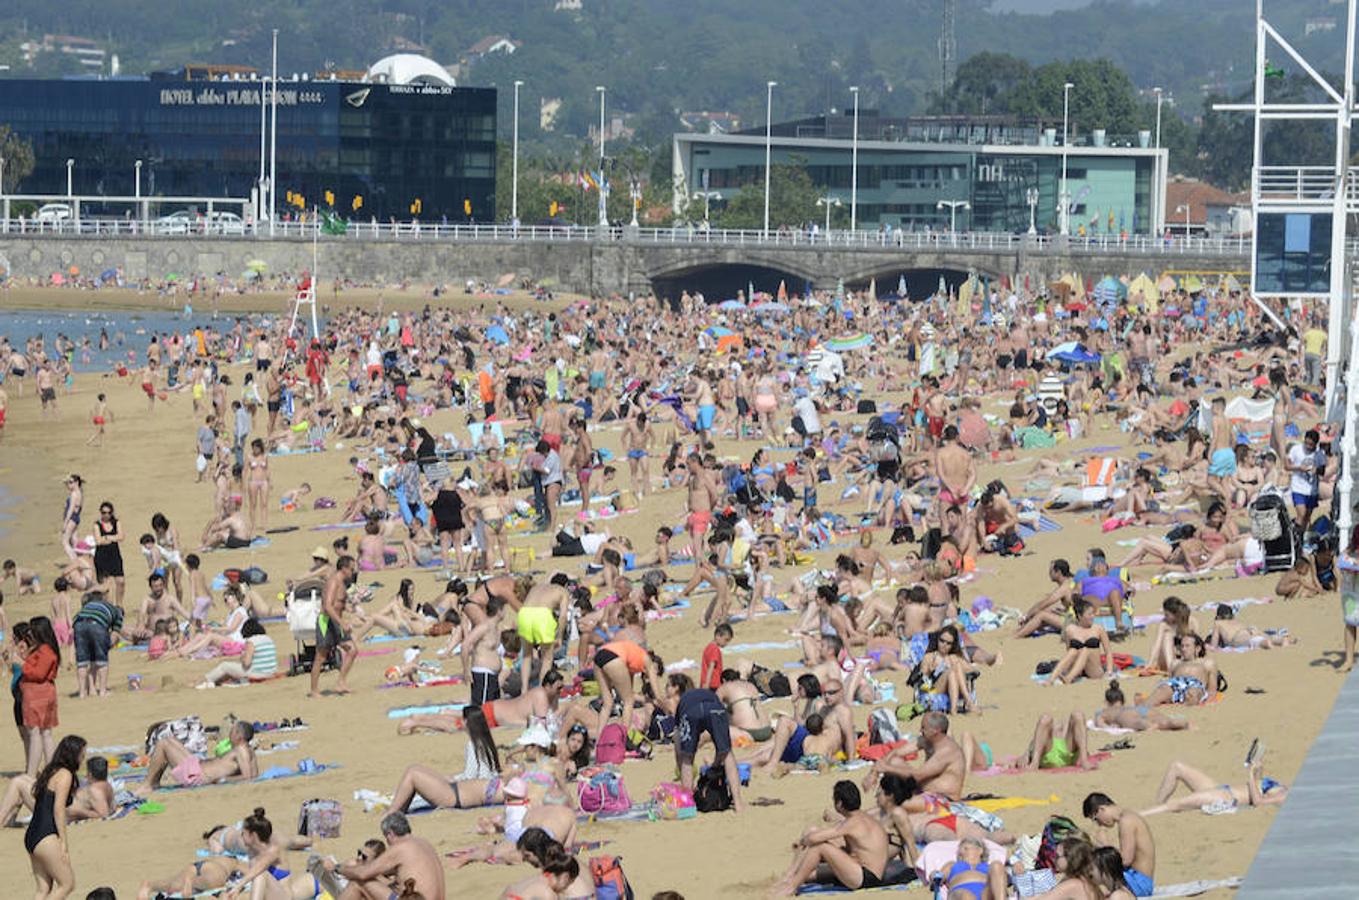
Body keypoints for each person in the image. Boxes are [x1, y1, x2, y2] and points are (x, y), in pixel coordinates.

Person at [769, 780, 889, 897]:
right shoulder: (860, 817)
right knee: (807, 872)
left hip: (866, 877)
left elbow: (814, 839)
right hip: (858, 869)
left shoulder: (853, 822)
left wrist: (802, 841)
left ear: (840, 803)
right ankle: (790, 877)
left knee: (820, 847)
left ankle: (791, 886)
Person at [387, 705, 502, 813]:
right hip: (471, 792)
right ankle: (397, 810)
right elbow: (484, 773)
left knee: (413, 772)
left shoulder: (473, 745)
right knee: (419, 773)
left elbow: (471, 776)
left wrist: (452, 779)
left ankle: (393, 811)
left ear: (467, 722)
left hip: (461, 795)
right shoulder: (486, 742)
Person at [670, 675, 745, 812]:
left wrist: (680, 766)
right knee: (727, 753)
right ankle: (738, 803)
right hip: (715, 709)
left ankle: (688, 804)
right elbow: (721, 749)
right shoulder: (707, 693)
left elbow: (678, 745)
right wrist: (716, 762)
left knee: (687, 757)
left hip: (692, 712)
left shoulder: (683, 703)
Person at [329, 812, 445, 899]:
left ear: (390, 834)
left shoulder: (400, 847)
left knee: (358, 883)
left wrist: (337, 868)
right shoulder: (424, 843)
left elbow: (362, 874)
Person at [25, 733, 85, 899]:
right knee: (67, 884)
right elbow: (58, 810)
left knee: (43, 890)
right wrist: (63, 842)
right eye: (81, 754)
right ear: (73, 754)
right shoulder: (65, 774)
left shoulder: (51, 770)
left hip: (32, 835)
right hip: (46, 835)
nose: (83, 759)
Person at [134, 720, 258, 795]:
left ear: (239, 736)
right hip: (198, 767)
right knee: (170, 740)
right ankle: (154, 782)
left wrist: (224, 780)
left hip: (198, 776)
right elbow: (255, 774)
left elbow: (248, 777)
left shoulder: (241, 749)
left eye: (232, 731)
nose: (229, 734)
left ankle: (148, 785)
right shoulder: (247, 750)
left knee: (163, 744)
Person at [1140, 756, 1288, 816]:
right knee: (1177, 767)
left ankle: (1141, 814)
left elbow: (1259, 802)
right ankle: (1156, 806)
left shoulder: (1284, 796)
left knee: (1177, 804)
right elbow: (1259, 788)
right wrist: (1258, 771)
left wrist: (1250, 775)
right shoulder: (1285, 788)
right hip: (1221, 789)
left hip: (1226, 797)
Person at [1082, 792, 1155, 897]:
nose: (1098, 824)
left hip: (1139, 884)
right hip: (1138, 880)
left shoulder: (1126, 821)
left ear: (1102, 809)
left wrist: (1105, 845)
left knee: (1090, 872)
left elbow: (1125, 860)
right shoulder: (1128, 817)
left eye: (1096, 819)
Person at [310, 555, 358, 697]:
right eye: (351, 569)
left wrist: (350, 609)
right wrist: (342, 623)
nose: (353, 572)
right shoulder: (333, 582)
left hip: (337, 621)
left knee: (352, 650)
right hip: (326, 621)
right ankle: (314, 690)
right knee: (321, 656)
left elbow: (339, 603)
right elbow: (328, 606)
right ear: (343, 568)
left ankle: (341, 683)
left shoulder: (342, 582)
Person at [21, 616, 60, 776]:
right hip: (44, 693)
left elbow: (38, 673)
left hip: (38, 694)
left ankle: (31, 773)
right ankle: (50, 769)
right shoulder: (47, 649)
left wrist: (22, 664)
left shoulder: (45, 650)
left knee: (36, 733)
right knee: (45, 733)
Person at [197, 617, 279, 687]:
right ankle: (214, 682)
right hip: (271, 672)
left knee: (224, 666)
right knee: (231, 670)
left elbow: (247, 663)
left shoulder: (251, 641)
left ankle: (205, 680)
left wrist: (243, 657)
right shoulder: (269, 639)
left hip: (257, 674)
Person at [71, 591, 122, 699]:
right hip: (97, 624)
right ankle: (103, 691)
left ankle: (82, 693)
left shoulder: (89, 605)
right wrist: (106, 646)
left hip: (78, 624)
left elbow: (75, 618)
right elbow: (114, 635)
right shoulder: (117, 612)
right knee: (102, 661)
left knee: (82, 661)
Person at [926, 836, 1007, 900]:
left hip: (985, 894)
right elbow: (939, 876)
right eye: (960, 849)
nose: (961, 851)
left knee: (997, 865)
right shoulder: (952, 864)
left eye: (966, 847)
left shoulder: (989, 867)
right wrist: (933, 875)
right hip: (960, 891)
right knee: (966, 896)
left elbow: (1002, 881)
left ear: (980, 850)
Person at [1095, 682, 1188, 732]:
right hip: (1138, 709)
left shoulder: (1104, 711)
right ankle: (1179, 722)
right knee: (1164, 719)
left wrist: (1111, 727)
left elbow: (1101, 724)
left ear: (1106, 702)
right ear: (1122, 700)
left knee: (1140, 722)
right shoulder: (1127, 706)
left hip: (1123, 715)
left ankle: (1152, 727)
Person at [1022, 710, 1094, 771]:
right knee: (1046, 718)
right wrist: (1027, 753)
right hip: (1048, 753)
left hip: (1069, 752)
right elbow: (1037, 739)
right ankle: (1035, 763)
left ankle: (1084, 760)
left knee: (1078, 715)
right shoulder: (1050, 726)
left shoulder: (1071, 724)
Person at [1286, 428, 1326, 530]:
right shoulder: (1296, 449)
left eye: (1311, 445)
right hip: (1298, 488)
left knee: (1307, 517)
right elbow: (1287, 466)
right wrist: (1299, 468)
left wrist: (1316, 470)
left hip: (1312, 490)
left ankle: (1301, 537)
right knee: (1301, 514)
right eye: (1306, 443)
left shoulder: (1319, 454)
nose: (1308, 447)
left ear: (1316, 444)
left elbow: (1323, 471)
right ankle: (1296, 536)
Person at [700, 623, 732, 690]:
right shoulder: (715, 649)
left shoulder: (708, 647)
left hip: (707, 683)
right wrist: (707, 684)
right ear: (717, 636)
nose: (726, 643)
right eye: (726, 640)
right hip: (713, 684)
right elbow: (711, 667)